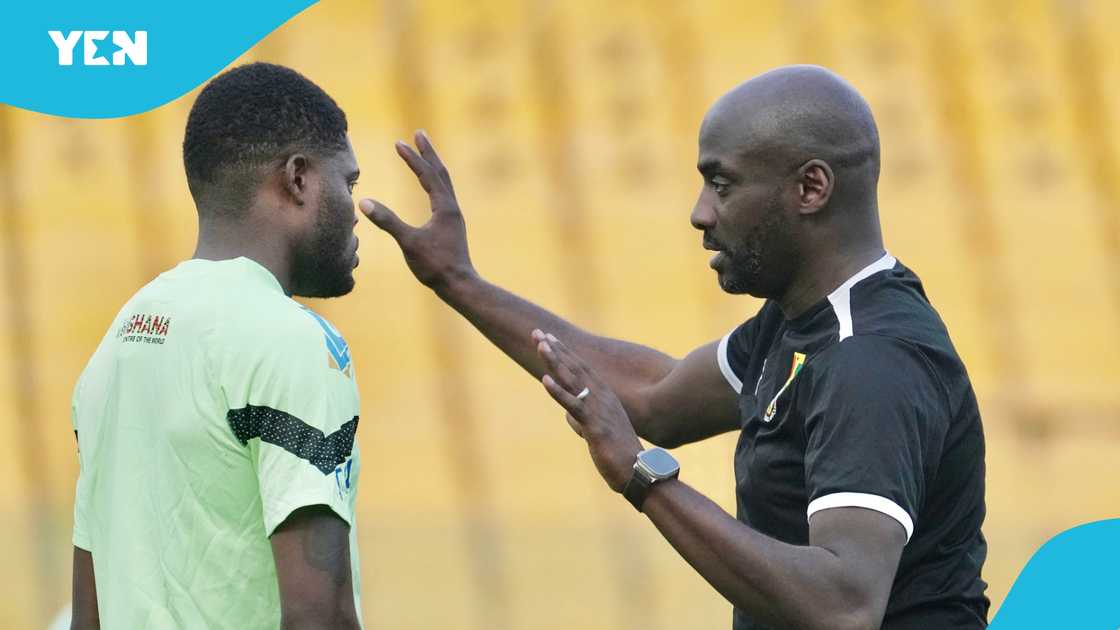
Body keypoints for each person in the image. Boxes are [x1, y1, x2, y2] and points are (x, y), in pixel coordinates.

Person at [362, 65, 989, 629]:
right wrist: (459, 282)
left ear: (810, 188)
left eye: (722, 184)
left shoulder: (870, 359)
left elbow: (843, 606)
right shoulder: (798, 322)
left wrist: (644, 478)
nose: (700, 213)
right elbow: (655, 398)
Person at [69, 62, 365, 629]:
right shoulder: (291, 340)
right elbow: (317, 616)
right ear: (298, 179)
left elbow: (89, 614)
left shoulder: (119, 342)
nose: (356, 211)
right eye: (347, 183)